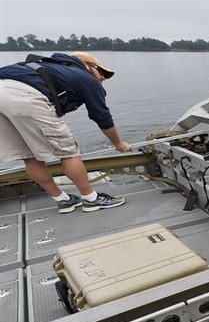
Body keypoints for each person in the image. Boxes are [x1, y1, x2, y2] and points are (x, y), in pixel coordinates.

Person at [0, 51, 131, 212]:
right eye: (101, 71)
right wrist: (118, 143)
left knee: (29, 155)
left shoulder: (51, 67)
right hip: (24, 95)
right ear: (84, 63)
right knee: (68, 152)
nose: (103, 77)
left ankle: (63, 200)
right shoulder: (85, 79)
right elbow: (102, 117)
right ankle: (91, 199)